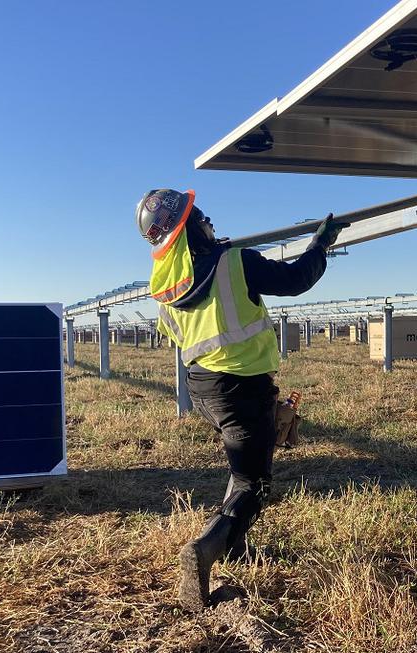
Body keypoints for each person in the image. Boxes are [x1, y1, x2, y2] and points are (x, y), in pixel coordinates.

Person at [135, 189, 344, 610]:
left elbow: (175, 337)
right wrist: (320, 244)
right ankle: (206, 548)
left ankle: (234, 544)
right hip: (242, 387)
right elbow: (295, 280)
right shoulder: (235, 263)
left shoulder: (168, 289)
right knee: (255, 484)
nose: (210, 222)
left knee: (241, 465)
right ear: (193, 226)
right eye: (203, 217)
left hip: (203, 388)